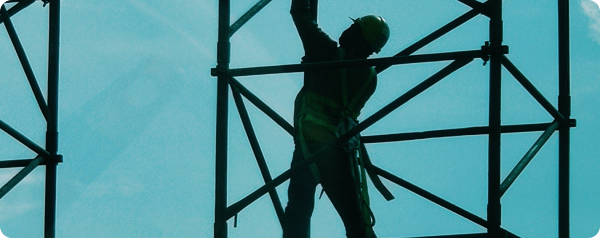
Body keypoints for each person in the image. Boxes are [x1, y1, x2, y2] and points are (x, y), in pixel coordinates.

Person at [282, 0, 390, 237]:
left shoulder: (325, 51)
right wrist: (314, 68)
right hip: (341, 149)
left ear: (357, 34)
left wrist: (313, 64)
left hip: (310, 141)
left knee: (298, 210)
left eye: (353, 28)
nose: (347, 30)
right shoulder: (370, 79)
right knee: (355, 220)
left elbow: (300, 12)